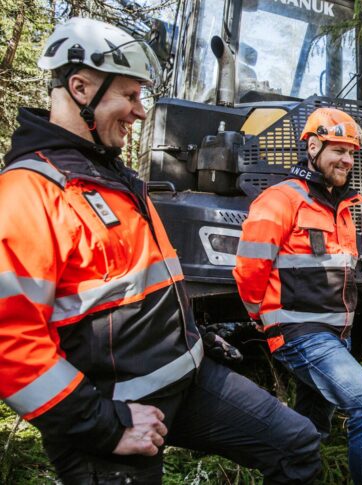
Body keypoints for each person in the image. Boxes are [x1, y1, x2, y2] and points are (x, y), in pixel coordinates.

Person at [0, 17, 320, 484]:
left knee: (298, 446)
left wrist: (191, 334)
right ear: (80, 86)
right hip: (110, 416)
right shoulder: (27, 192)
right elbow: (11, 345)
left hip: (187, 378)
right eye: (129, 96)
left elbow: (148, 284)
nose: (140, 111)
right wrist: (106, 427)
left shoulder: (118, 179)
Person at [234, 107, 362, 485]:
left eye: (352, 153)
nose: (348, 160)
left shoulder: (343, 208)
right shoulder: (280, 199)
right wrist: (263, 317)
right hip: (300, 333)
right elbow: (249, 268)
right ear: (314, 146)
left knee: (311, 426)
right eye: (339, 150)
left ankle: (301, 474)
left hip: (335, 336)